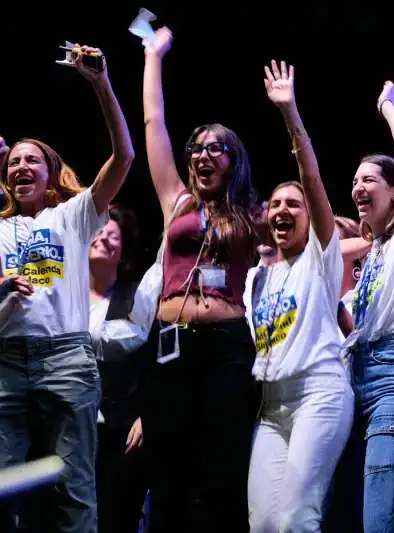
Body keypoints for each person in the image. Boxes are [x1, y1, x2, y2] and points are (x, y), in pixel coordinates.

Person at [0, 44, 134, 533]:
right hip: (6, 364)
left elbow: (124, 156)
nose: (21, 168)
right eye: (13, 162)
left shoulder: (72, 217)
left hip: (66, 361)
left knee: (73, 492)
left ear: (50, 172)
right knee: (4, 493)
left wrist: (100, 84)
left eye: (31, 160)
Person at [141, 27, 259, 533]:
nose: (203, 155)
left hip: (229, 347)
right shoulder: (178, 202)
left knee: (222, 471)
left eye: (218, 149)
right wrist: (153, 56)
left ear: (234, 161)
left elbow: (315, 237)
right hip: (172, 343)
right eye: (198, 148)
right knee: (168, 468)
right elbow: (153, 122)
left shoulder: (254, 215)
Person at [246, 60, 354, 533]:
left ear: (311, 217)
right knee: (264, 522)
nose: (283, 211)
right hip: (271, 407)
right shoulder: (256, 280)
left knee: (296, 519)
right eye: (275, 205)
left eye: (293, 204)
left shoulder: (321, 258)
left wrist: (290, 114)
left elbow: (310, 178)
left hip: (319, 394)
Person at [325, 81, 394, 533]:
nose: (357, 187)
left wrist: (385, 106)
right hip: (357, 377)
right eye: (353, 181)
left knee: (381, 516)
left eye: (368, 179)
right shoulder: (373, 254)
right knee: (349, 512)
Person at [88, 206, 150, 533]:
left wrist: (146, 414)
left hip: (119, 430)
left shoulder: (135, 297)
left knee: (115, 518)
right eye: (98, 232)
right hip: (69, 426)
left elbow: (155, 361)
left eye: (113, 236)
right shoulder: (61, 294)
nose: (103, 239)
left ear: (123, 252)